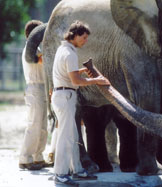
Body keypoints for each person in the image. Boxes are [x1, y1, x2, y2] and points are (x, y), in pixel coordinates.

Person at [51, 20, 110, 185]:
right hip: (66, 96)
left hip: (63, 95)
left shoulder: (62, 49)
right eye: (83, 37)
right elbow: (76, 81)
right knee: (65, 137)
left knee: (73, 136)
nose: (85, 41)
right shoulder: (70, 54)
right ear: (74, 35)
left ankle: (77, 170)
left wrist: (80, 71)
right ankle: (61, 173)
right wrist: (97, 80)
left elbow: (70, 73)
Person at [19, 20, 52, 170]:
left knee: (43, 126)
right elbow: (43, 60)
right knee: (34, 124)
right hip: (35, 87)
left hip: (42, 88)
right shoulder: (30, 48)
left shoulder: (37, 47)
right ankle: (25, 158)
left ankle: (38, 157)